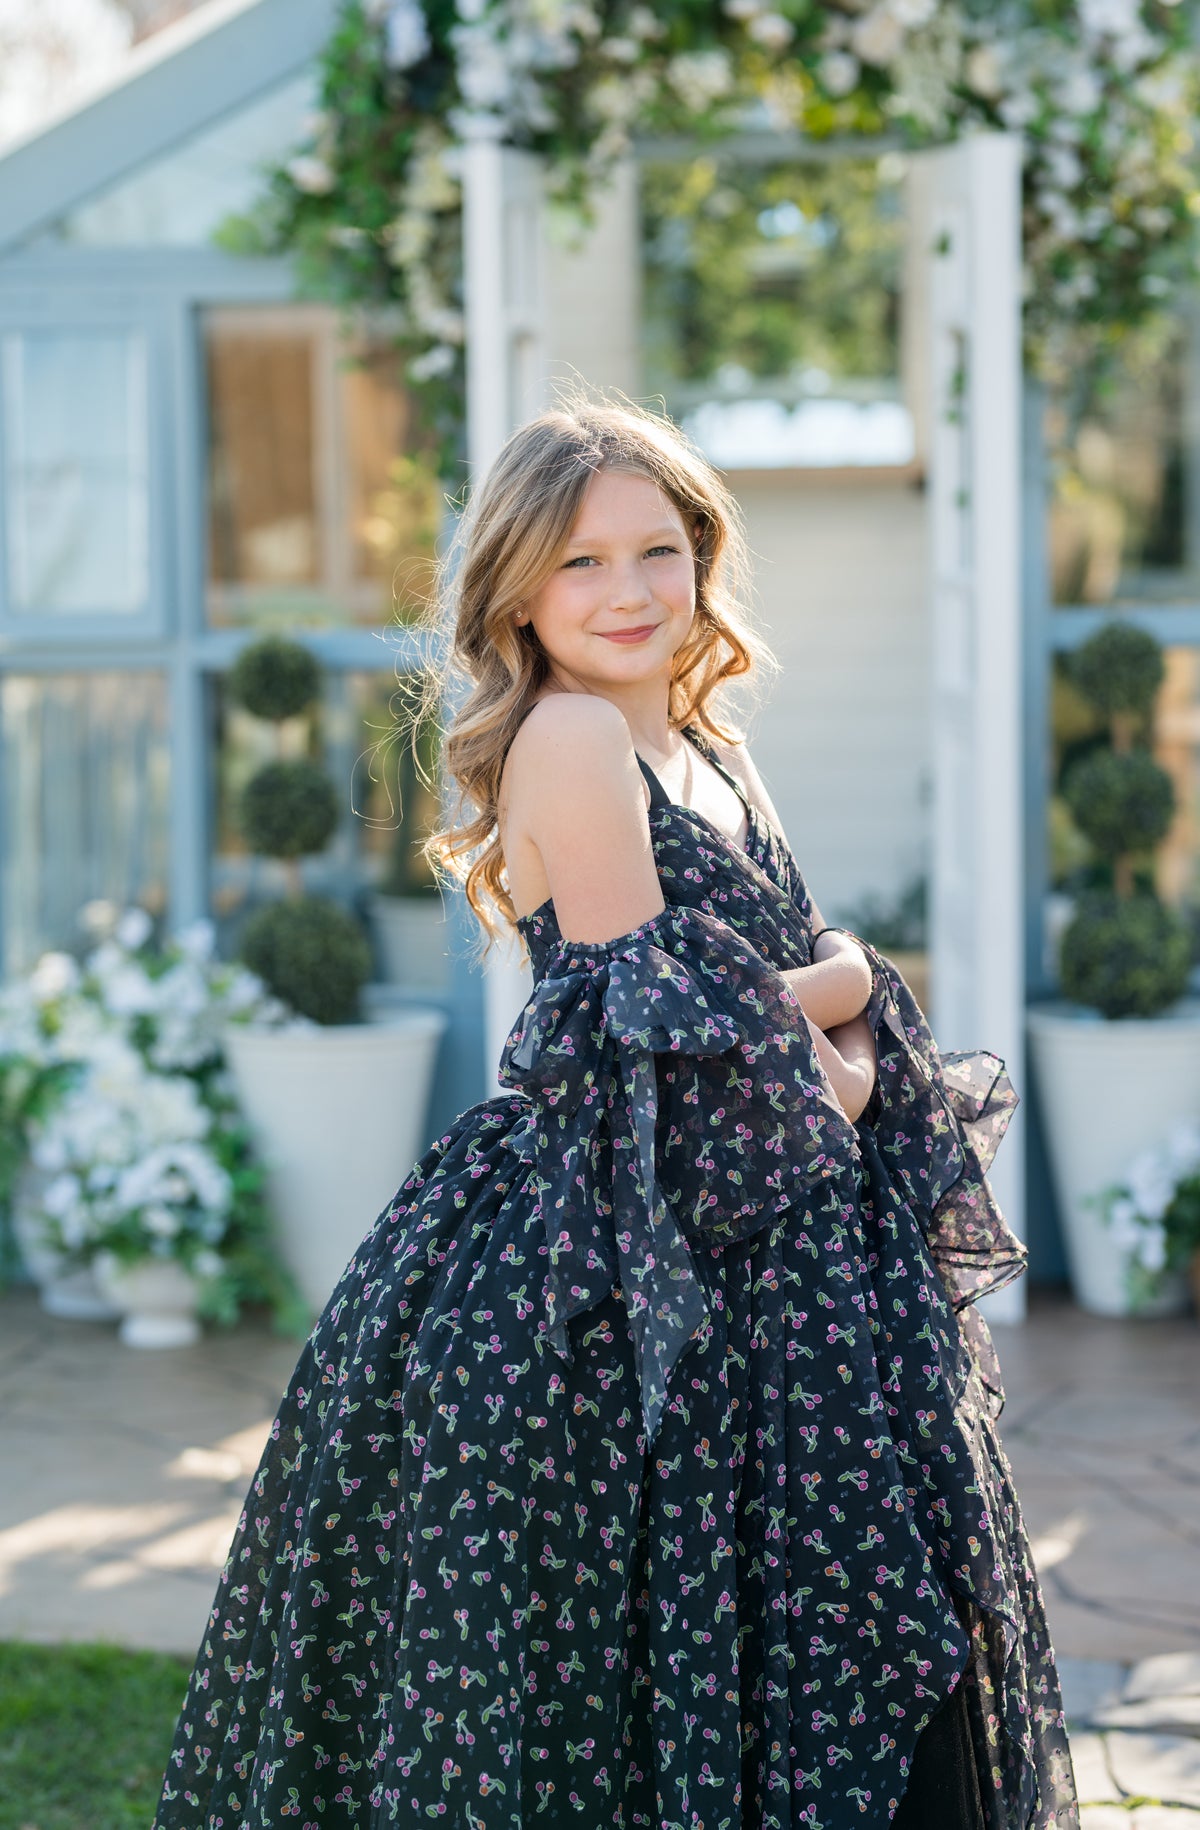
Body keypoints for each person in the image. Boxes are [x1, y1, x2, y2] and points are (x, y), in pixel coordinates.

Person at [153, 397, 1079, 1829]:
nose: (631, 591)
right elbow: (674, 1057)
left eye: (660, 549)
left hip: (780, 1265)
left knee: (867, 1639)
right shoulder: (572, 739)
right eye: (582, 563)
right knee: (648, 1670)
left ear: (704, 557)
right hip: (615, 1275)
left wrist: (829, 1000)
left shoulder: (711, 744)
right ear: (516, 589)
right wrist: (837, 1035)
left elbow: (821, 971)